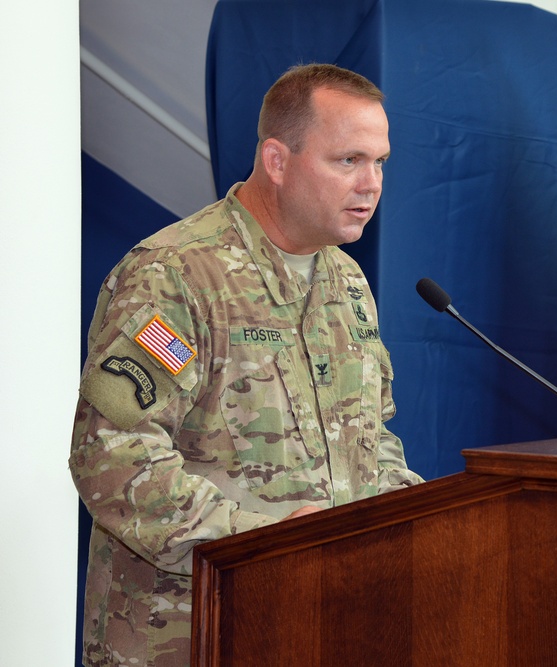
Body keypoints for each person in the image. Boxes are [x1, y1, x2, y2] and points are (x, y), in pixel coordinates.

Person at [69, 64, 424, 666]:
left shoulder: (347, 281)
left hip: (315, 628)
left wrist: (416, 521)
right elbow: (112, 455)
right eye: (348, 161)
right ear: (277, 161)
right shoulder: (177, 274)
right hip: (189, 634)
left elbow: (372, 443)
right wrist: (262, 541)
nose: (371, 184)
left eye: (381, 162)